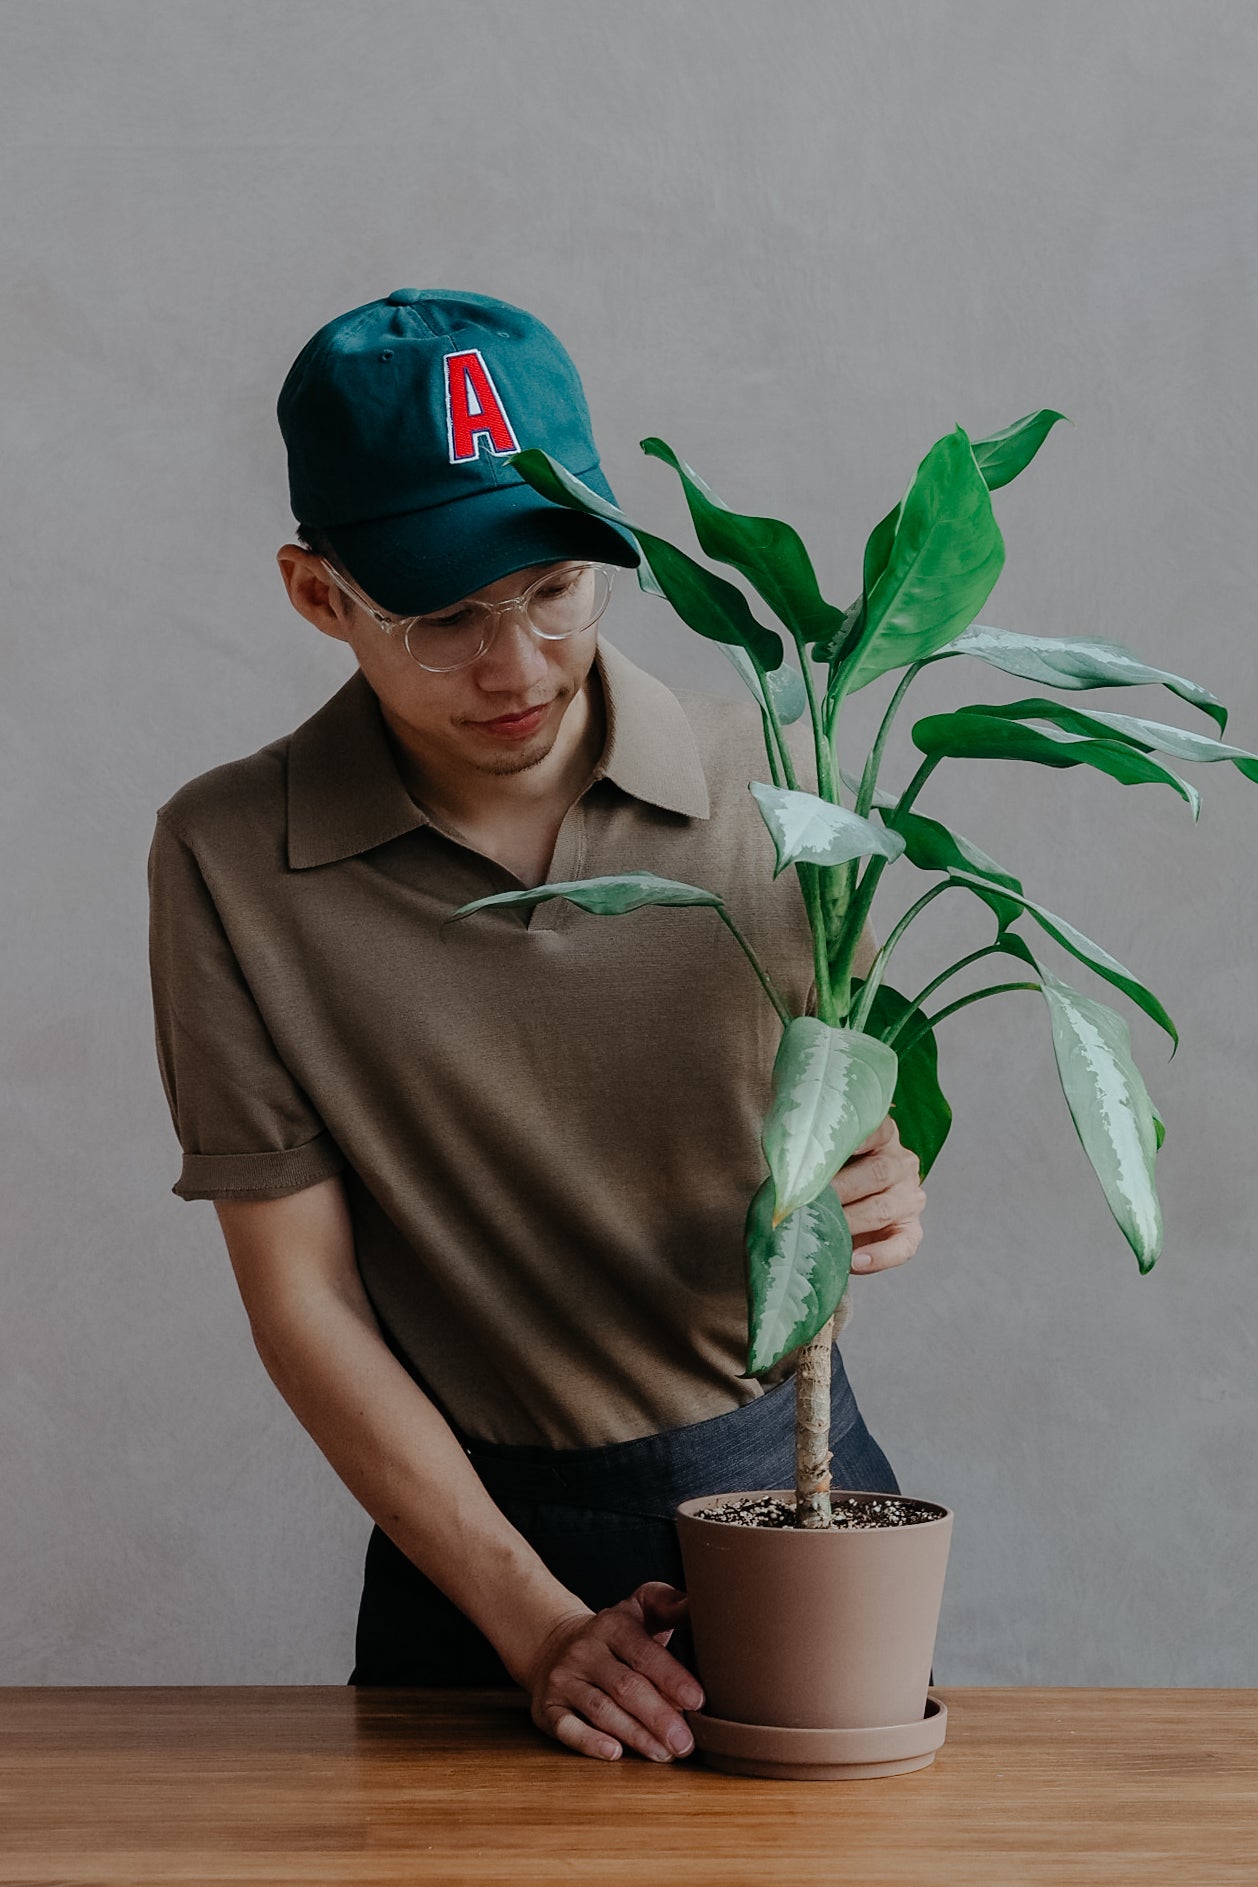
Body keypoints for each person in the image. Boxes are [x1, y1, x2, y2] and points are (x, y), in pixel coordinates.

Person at [146, 287, 926, 1767]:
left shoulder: (783, 779)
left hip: (794, 1493)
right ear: (319, 594)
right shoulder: (230, 857)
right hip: (470, 1556)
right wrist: (530, 1619)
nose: (513, 666)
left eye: (556, 587)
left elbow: (844, 1111)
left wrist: (880, 1184)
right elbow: (300, 1295)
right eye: (441, 618)